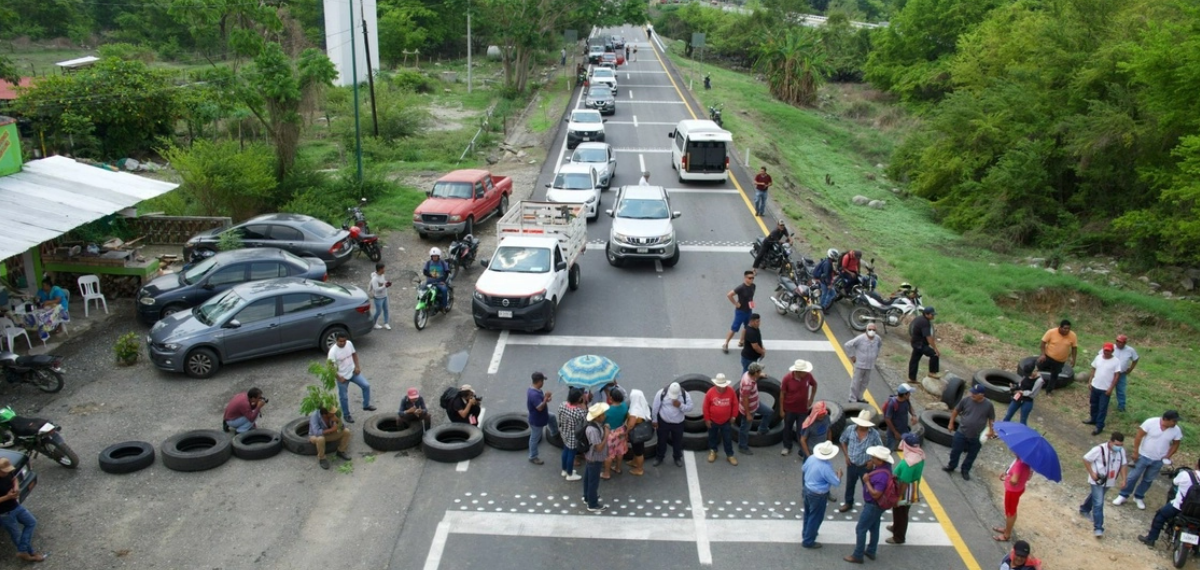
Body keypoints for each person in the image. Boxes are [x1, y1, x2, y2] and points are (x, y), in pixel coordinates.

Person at [1115, 410, 1182, 510]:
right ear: (1166, 419)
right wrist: (1135, 452)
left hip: (1159, 459)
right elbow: (1138, 437)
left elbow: (1176, 444)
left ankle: (1139, 496)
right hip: (1143, 455)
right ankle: (1123, 495)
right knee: (1133, 477)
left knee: (1148, 480)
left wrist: (1168, 456)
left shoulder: (1176, 430)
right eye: (1173, 421)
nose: (1175, 423)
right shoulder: (1150, 422)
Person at [844, 445, 894, 564]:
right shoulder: (885, 468)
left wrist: (867, 482)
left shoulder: (881, 476)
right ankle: (871, 551)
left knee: (861, 528)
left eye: (874, 458)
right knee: (874, 527)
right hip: (878, 506)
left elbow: (876, 494)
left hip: (873, 505)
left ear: (880, 460)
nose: (871, 459)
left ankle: (858, 555)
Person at [1138, 457, 1200, 547]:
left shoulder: (1186, 475)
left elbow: (1175, 482)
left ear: (1197, 464)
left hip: (1178, 507)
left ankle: (1151, 539)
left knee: (1160, 516)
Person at [942, 384, 996, 481]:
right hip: (961, 432)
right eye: (972, 392)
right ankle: (951, 466)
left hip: (976, 435)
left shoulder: (988, 405)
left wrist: (992, 431)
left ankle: (965, 470)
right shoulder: (966, 400)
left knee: (972, 455)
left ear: (981, 395)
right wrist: (951, 423)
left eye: (975, 394)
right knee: (955, 451)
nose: (972, 394)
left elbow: (991, 418)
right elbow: (956, 411)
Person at [1079, 432, 1128, 538]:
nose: (1119, 447)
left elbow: (1123, 465)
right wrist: (1092, 473)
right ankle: (1098, 528)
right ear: (1110, 442)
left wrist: (1124, 479)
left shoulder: (1121, 452)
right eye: (1117, 445)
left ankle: (1084, 509)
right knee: (1099, 503)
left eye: (1121, 445)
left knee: (1096, 497)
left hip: (1110, 481)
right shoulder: (1099, 449)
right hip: (1097, 480)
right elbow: (1086, 459)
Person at [839, 410, 883, 513]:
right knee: (850, 485)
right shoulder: (850, 429)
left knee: (867, 486)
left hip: (866, 466)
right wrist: (846, 455)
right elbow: (842, 440)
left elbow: (879, 448)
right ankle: (848, 502)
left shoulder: (874, 434)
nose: (860, 426)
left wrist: (872, 462)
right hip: (852, 463)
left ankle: (868, 505)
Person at [0, 458, 44, 562]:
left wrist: (16, 488)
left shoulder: (8, 473)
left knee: (31, 522)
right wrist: (7, 497)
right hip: (5, 512)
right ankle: (30, 553)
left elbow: (14, 479)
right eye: (4, 471)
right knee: (17, 534)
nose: (7, 473)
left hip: (15, 505)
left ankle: (23, 551)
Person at [801, 441, 843, 549]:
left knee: (808, 513)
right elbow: (836, 482)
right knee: (815, 517)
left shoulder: (811, 458)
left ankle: (806, 532)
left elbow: (804, 469)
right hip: (818, 494)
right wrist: (839, 475)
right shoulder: (825, 467)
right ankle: (809, 540)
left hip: (807, 489)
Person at [327, 332, 375, 424]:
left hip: (352, 372)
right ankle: (346, 415)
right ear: (336, 340)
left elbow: (354, 354)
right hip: (342, 376)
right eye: (340, 341)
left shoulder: (349, 344)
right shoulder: (333, 351)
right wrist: (338, 377)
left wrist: (357, 367)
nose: (342, 343)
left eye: (344, 341)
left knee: (366, 385)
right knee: (343, 397)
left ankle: (366, 405)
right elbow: (330, 367)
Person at [888, 433, 924, 545]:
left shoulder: (909, 463)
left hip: (904, 490)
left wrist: (898, 497)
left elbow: (904, 481)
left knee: (901, 513)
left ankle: (898, 537)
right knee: (901, 512)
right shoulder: (919, 455)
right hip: (912, 487)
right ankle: (895, 527)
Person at [780, 359, 818, 457]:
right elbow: (782, 394)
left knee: (802, 429)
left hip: (803, 409)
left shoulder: (808, 376)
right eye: (804, 372)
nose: (806, 373)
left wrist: (811, 399)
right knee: (787, 428)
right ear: (798, 371)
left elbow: (814, 385)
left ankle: (802, 449)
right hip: (789, 409)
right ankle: (787, 446)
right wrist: (781, 410)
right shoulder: (787, 378)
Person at [652, 381, 693, 467]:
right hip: (663, 421)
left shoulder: (685, 395)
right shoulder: (661, 393)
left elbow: (690, 408)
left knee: (678, 441)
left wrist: (680, 405)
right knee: (661, 440)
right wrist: (655, 420)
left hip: (678, 423)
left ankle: (677, 457)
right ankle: (659, 457)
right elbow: (655, 407)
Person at [1083, 342, 1121, 436]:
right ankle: (1093, 419)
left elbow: (1117, 376)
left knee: (1102, 408)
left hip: (1105, 389)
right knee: (1093, 404)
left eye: (1108, 351)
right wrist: (1090, 381)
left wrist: (1111, 388)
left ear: (1112, 351)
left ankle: (1099, 426)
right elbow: (1093, 369)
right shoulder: (1098, 357)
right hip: (1095, 385)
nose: (1106, 352)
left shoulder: (1116, 361)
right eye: (1105, 350)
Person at [737, 363, 775, 455]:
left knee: (769, 412)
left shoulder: (748, 374)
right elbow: (745, 399)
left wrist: (760, 376)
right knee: (745, 428)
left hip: (756, 404)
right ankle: (742, 446)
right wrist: (748, 414)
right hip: (749, 408)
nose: (761, 372)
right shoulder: (747, 384)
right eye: (760, 371)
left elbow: (755, 376)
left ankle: (762, 429)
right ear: (755, 372)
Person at [992, 455, 1032, 542]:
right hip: (1020, 489)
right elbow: (1029, 477)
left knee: (1010, 513)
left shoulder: (1019, 463)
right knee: (1013, 511)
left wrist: (1010, 478)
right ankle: (1007, 529)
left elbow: (1014, 480)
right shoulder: (1028, 461)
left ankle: (1006, 535)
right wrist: (1007, 473)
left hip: (1012, 491)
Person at [704, 373, 740, 466]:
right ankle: (713, 451)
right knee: (712, 437)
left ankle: (730, 455)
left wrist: (733, 416)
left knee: (727, 438)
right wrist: (707, 419)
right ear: (716, 384)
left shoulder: (731, 391)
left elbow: (735, 404)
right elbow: (705, 407)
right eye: (719, 386)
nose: (721, 388)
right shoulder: (710, 392)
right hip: (713, 421)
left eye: (723, 386)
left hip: (726, 421)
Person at [844, 324, 883, 403]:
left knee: (865, 382)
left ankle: (860, 397)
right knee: (856, 382)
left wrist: (876, 355)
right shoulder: (860, 338)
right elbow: (847, 345)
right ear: (866, 329)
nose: (872, 331)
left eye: (874, 330)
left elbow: (879, 346)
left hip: (870, 365)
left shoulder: (877, 339)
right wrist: (852, 356)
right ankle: (852, 399)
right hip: (859, 365)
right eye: (870, 329)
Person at [582, 403, 610, 512]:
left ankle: (587, 497)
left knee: (588, 478)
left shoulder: (595, 425)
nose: (604, 415)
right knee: (593, 481)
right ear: (597, 417)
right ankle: (592, 504)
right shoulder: (593, 430)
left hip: (590, 457)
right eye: (602, 414)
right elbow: (598, 448)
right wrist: (606, 435)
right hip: (595, 458)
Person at [1038, 319, 1077, 395]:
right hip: (1048, 357)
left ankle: (1049, 390)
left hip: (1060, 360)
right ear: (1060, 327)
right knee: (1038, 366)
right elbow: (1043, 343)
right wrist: (1043, 354)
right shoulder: (1051, 332)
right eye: (1065, 328)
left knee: (1054, 375)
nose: (1067, 330)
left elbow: (1074, 348)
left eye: (1068, 329)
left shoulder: (1073, 335)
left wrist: (1073, 358)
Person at [722, 271, 756, 354]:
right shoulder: (741, 288)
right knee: (734, 328)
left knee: (747, 326)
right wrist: (736, 303)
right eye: (749, 278)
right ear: (745, 278)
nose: (751, 279)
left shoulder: (753, 286)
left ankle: (741, 341)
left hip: (749, 310)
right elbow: (729, 295)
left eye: (753, 278)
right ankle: (726, 343)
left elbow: (751, 296)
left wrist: (751, 303)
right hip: (740, 312)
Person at [1003, 358, 1044, 425]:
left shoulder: (1039, 381)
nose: (1028, 376)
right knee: (1008, 415)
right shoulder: (1027, 375)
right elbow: (1021, 384)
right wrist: (1015, 387)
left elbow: (1033, 394)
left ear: (1034, 371)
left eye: (1029, 374)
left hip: (1027, 400)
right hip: (1018, 397)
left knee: (1023, 420)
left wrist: (1022, 392)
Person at [558, 388, 587, 481]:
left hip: (564, 432)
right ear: (579, 399)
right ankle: (570, 474)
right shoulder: (578, 412)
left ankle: (564, 470)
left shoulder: (562, 405)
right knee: (571, 454)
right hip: (574, 436)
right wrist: (584, 406)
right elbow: (585, 421)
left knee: (565, 450)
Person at [526, 372, 554, 465]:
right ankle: (533, 456)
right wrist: (545, 398)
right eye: (542, 381)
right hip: (537, 420)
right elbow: (539, 407)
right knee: (534, 438)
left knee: (552, 417)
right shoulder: (534, 394)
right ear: (539, 381)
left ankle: (555, 433)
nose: (543, 383)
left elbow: (542, 402)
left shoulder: (536, 390)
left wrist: (546, 399)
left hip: (543, 415)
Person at [907, 306, 940, 383]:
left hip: (915, 342)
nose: (933, 316)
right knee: (934, 354)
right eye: (932, 314)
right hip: (920, 344)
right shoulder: (925, 322)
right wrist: (935, 348)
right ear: (926, 314)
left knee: (914, 360)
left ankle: (912, 378)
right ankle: (932, 372)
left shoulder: (920, 318)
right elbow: (928, 337)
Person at [881, 384, 917, 451]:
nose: (910, 394)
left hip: (904, 430)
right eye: (909, 393)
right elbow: (887, 419)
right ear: (904, 395)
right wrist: (895, 433)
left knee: (908, 449)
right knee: (889, 450)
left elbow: (909, 407)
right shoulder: (892, 404)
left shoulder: (906, 400)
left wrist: (914, 415)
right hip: (893, 433)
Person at [602, 389, 628, 478]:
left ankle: (606, 473)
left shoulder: (608, 410)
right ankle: (618, 468)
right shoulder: (624, 406)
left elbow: (602, 421)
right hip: (621, 431)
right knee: (619, 451)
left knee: (608, 455)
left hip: (610, 433)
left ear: (611, 398)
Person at [625, 389, 652, 476]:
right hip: (642, 431)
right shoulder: (643, 405)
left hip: (636, 433)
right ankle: (634, 462)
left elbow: (631, 424)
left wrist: (626, 432)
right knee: (637, 449)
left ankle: (639, 469)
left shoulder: (635, 409)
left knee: (638, 452)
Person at [1110, 334, 1139, 412]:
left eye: (1121, 342)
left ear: (1125, 343)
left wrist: (1131, 368)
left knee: (1121, 390)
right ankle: (1104, 403)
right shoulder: (1111, 347)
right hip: (1110, 372)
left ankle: (1121, 407)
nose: (1119, 343)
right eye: (1118, 341)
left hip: (1121, 374)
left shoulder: (1130, 350)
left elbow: (1136, 359)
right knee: (1106, 388)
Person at [368, 262, 391, 330]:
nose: (384, 270)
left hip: (385, 296)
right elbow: (376, 289)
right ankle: (374, 323)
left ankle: (386, 323)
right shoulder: (375, 279)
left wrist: (387, 283)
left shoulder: (382, 275)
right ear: (380, 269)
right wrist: (385, 286)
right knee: (378, 311)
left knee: (386, 310)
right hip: (378, 298)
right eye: (383, 269)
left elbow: (383, 282)